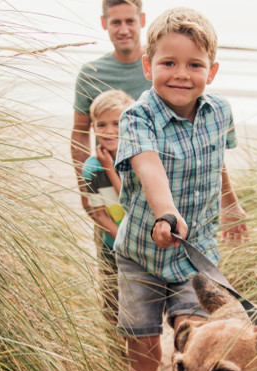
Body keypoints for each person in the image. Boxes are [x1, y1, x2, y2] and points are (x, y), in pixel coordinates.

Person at [113, 7, 249, 371]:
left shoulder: (220, 112)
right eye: (168, 63)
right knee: (144, 347)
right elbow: (149, 167)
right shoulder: (138, 117)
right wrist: (165, 214)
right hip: (141, 254)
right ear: (149, 66)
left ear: (211, 70)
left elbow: (216, 162)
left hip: (197, 254)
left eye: (194, 65)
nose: (181, 74)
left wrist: (229, 203)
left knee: (195, 342)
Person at [71, 0, 151, 217]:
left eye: (130, 21)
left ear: (142, 20)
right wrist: (85, 188)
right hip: (105, 180)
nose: (123, 30)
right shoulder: (91, 73)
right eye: (116, 22)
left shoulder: (157, 68)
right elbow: (79, 132)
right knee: (109, 245)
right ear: (104, 23)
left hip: (152, 183)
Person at [82, 89, 134, 325]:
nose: (110, 131)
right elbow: (99, 213)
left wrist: (110, 167)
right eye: (101, 124)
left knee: (139, 306)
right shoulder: (92, 167)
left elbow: (130, 200)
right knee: (112, 304)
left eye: (117, 123)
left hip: (142, 246)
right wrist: (119, 239)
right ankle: (116, 358)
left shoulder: (138, 159)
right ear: (93, 127)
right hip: (112, 247)